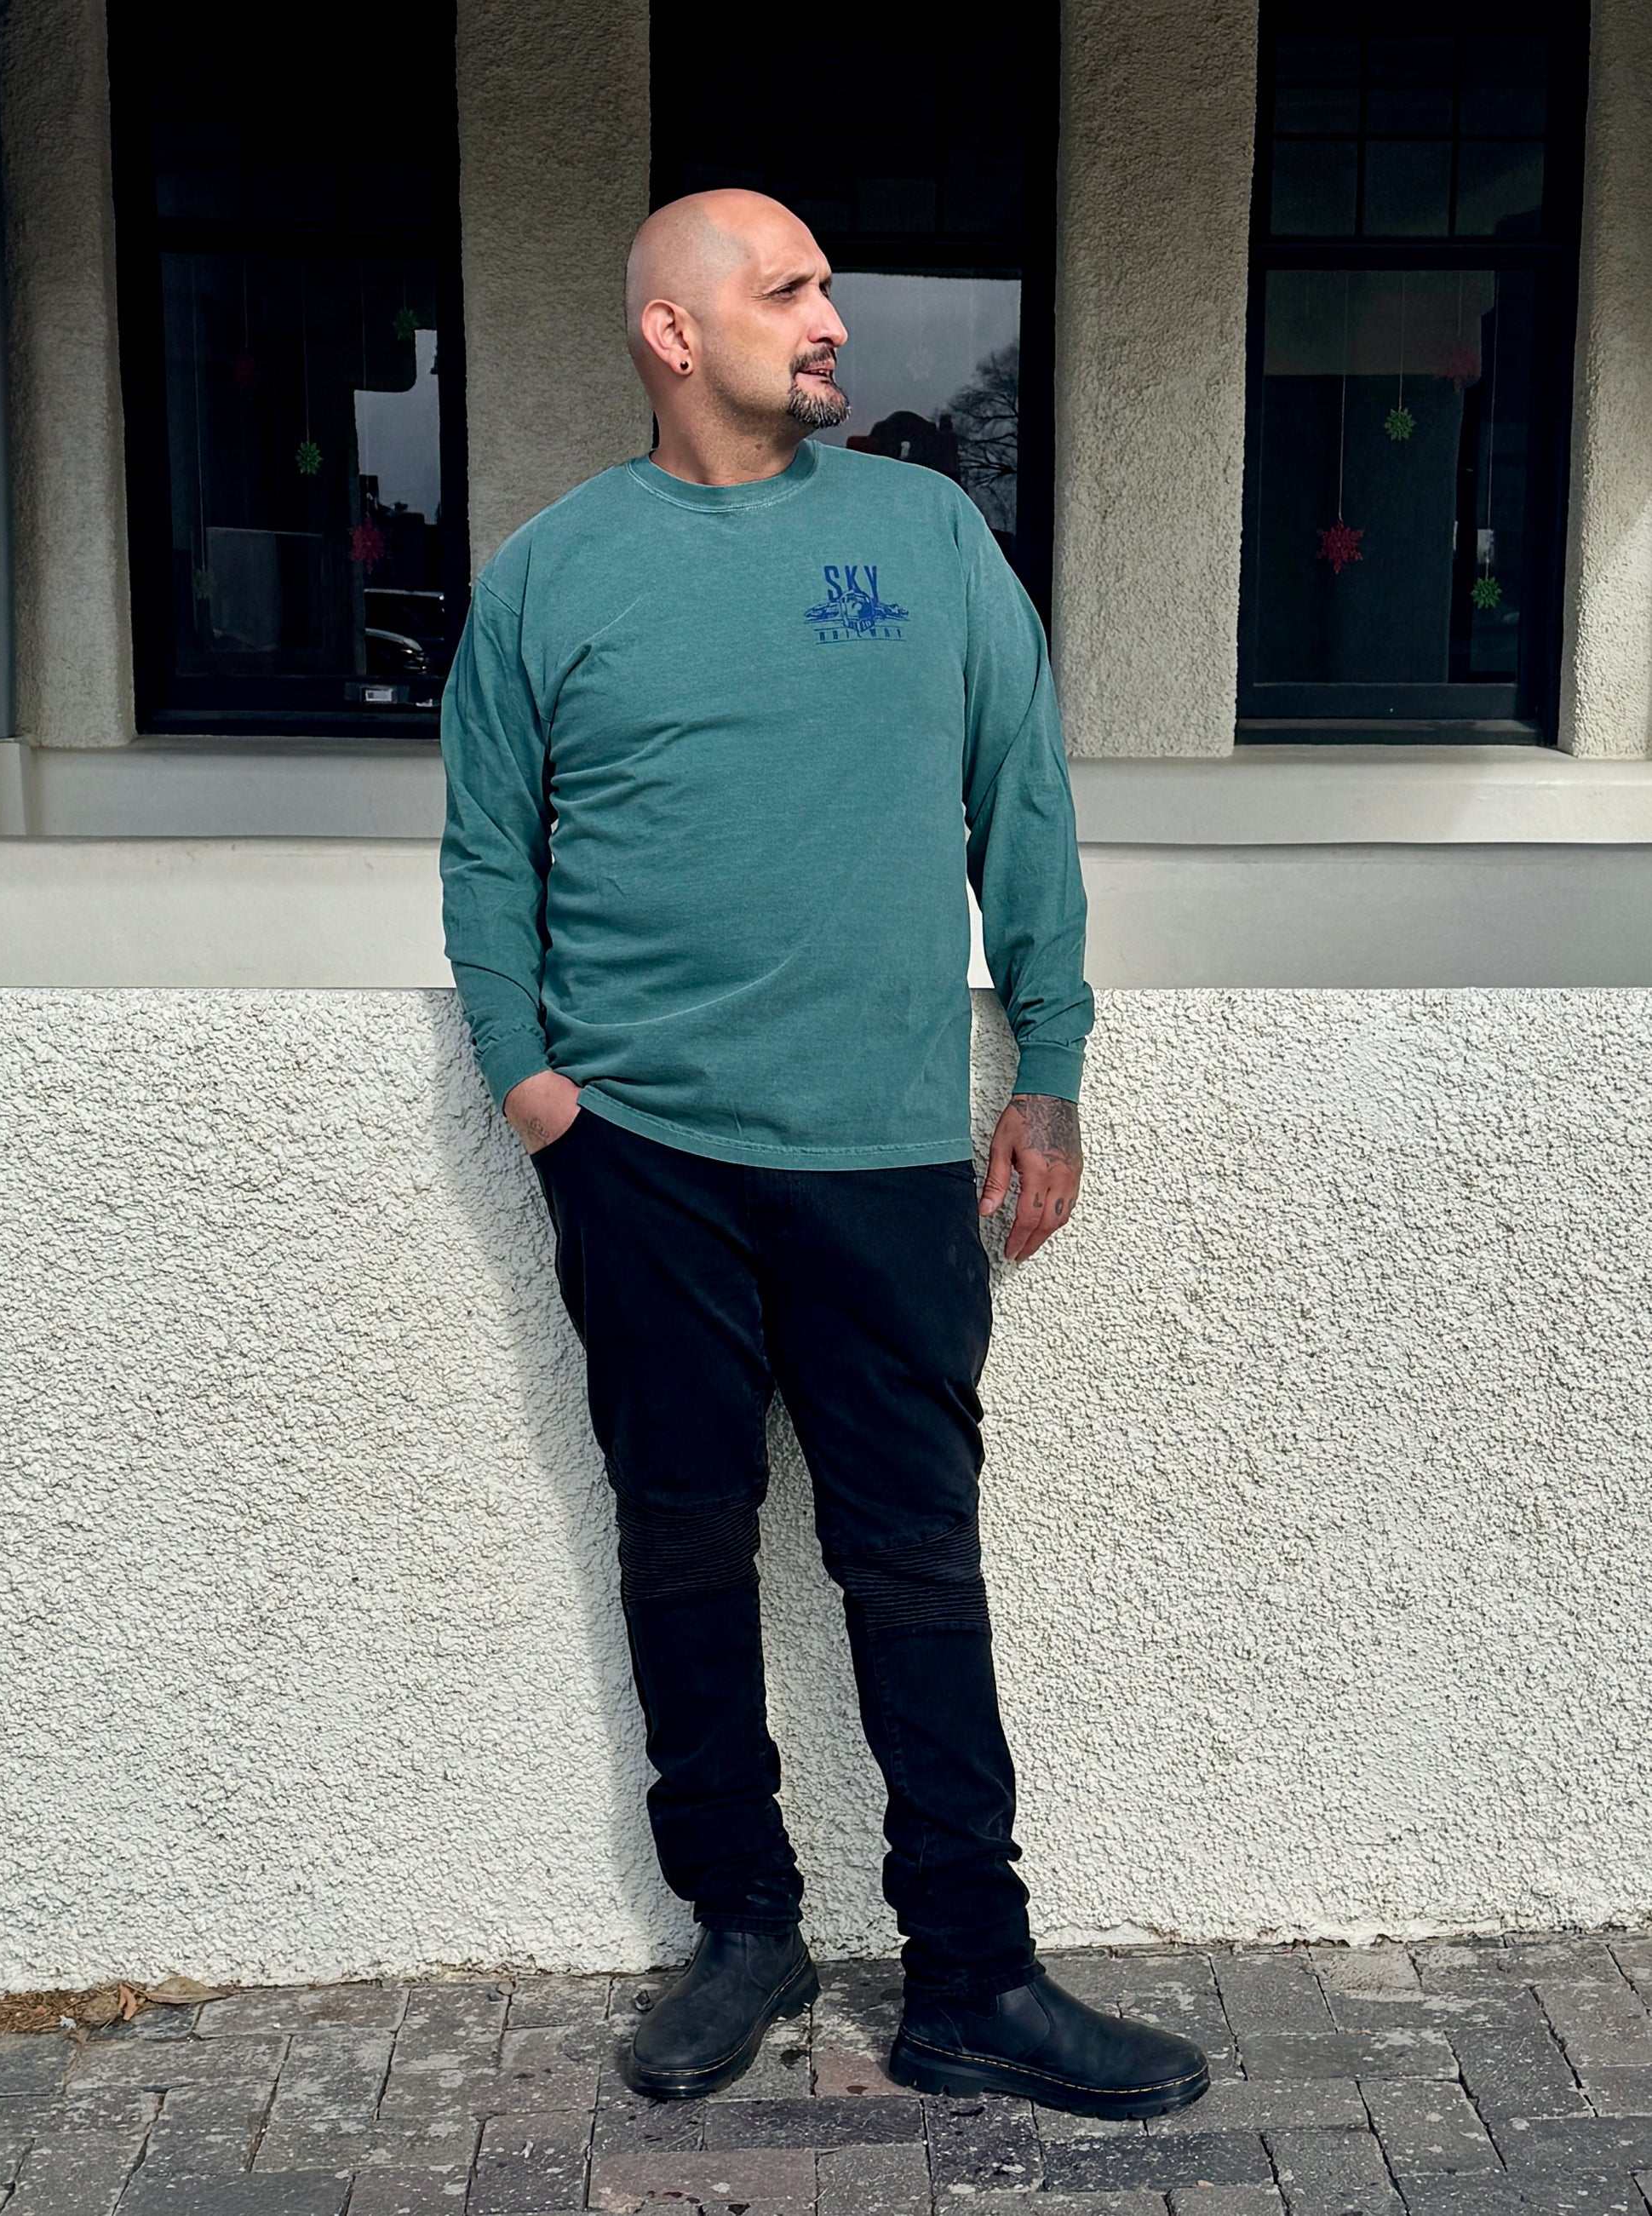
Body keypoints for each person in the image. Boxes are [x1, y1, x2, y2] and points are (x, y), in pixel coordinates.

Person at [439, 188, 1208, 2121]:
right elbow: (485, 846)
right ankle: (743, 1925)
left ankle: (971, 1973)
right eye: (787, 290)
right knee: (684, 1546)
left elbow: (1021, 796)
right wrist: (535, 1091)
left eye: (830, 286)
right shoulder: (551, 574)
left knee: (913, 1558)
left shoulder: (925, 534)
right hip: (644, 1157)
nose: (832, 319)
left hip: (880, 1155)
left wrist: (1050, 1064)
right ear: (673, 332)